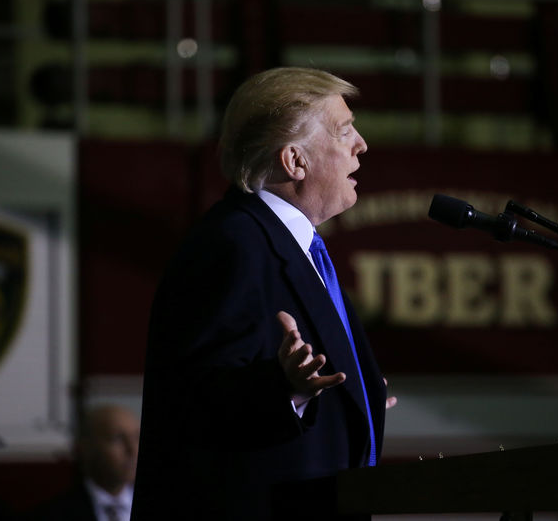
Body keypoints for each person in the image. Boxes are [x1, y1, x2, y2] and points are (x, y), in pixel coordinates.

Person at [131, 67, 395, 520]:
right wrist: (285, 388)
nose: (361, 144)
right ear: (295, 161)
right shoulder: (232, 244)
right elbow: (193, 401)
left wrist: (357, 395)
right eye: (344, 130)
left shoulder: (295, 245)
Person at [29, 404, 140, 521]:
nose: (133, 450)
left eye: (137, 437)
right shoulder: (51, 514)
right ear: (85, 448)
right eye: (117, 438)